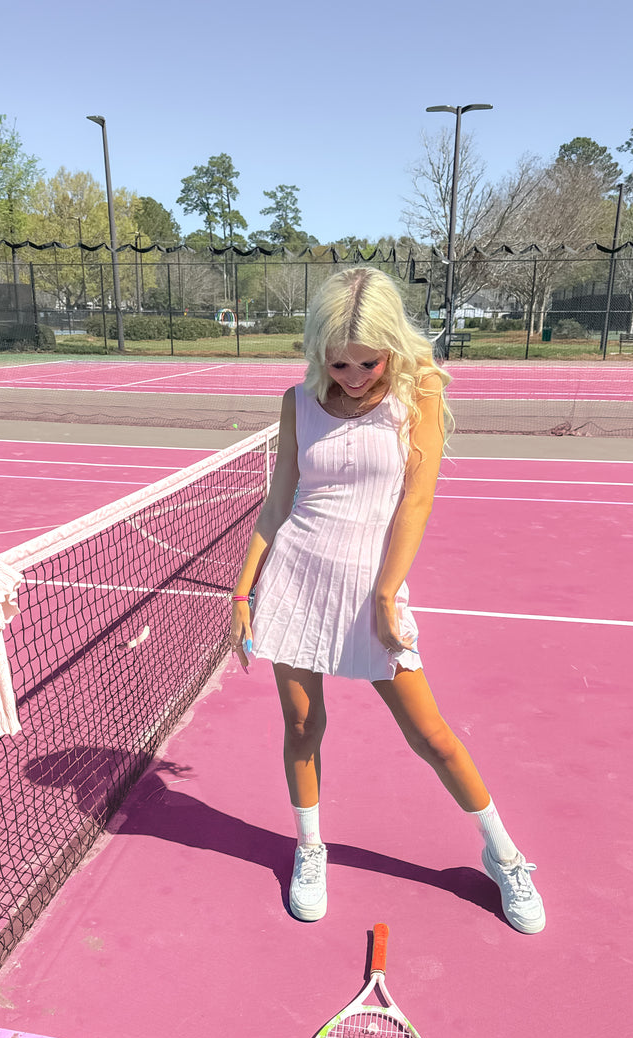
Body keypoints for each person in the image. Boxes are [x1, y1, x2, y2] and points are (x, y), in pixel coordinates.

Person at [229, 267, 545, 933]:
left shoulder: (419, 390)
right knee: (300, 728)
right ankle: (309, 849)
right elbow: (280, 497)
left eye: (366, 361)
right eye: (336, 361)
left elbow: (417, 500)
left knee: (433, 736)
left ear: (392, 348)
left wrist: (384, 590)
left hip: (373, 589)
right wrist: (242, 590)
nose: (351, 374)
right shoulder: (299, 401)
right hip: (297, 577)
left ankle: (505, 854)